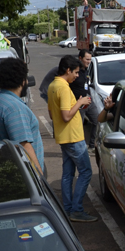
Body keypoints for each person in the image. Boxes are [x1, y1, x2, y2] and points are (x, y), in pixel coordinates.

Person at [47, 55, 97, 223]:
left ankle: (68, 209)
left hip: (63, 136)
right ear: (67, 70)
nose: (77, 76)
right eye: (75, 72)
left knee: (68, 174)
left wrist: (78, 105)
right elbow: (67, 116)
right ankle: (76, 209)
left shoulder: (53, 85)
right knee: (86, 172)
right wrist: (80, 101)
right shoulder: (63, 88)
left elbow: (52, 114)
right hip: (73, 137)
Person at [0, 58, 45, 176]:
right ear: (23, 81)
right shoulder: (14, 108)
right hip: (23, 176)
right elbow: (24, 146)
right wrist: (40, 181)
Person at [72, 49, 100, 149]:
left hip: (88, 101)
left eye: (90, 59)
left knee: (97, 120)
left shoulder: (86, 70)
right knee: (79, 128)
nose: (89, 61)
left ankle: (92, 145)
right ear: (80, 58)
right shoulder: (75, 71)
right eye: (87, 59)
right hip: (79, 104)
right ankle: (81, 147)